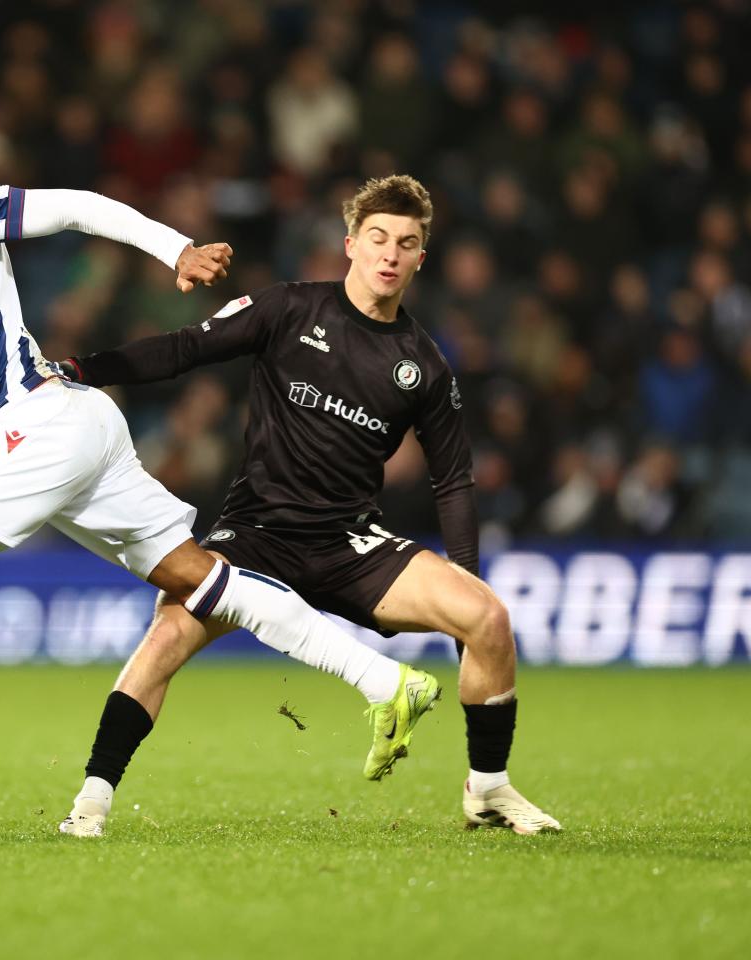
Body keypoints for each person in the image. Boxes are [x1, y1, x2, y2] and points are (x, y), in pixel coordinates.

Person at [0, 117, 440, 808]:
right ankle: (387, 683)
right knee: (201, 580)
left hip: (36, 421)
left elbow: (77, 206)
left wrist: (177, 249)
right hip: (70, 427)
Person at [56, 174, 561, 836]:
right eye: (377, 238)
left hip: (349, 546)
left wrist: (464, 569)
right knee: (166, 637)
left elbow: (454, 480)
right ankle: (92, 800)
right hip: (255, 535)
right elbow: (185, 350)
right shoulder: (288, 310)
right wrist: (81, 369)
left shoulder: (422, 365)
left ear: (419, 259)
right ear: (351, 245)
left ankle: (488, 791)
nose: (389, 253)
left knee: (487, 618)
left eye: (405, 243)